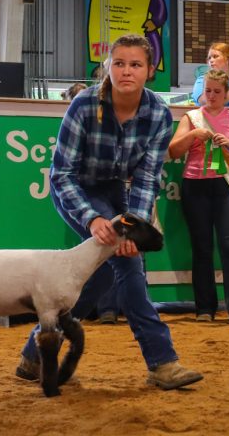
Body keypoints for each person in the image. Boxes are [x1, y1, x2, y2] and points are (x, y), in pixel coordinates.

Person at [15, 34, 203, 390]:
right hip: (76, 190)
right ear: (108, 68)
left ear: (150, 70)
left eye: (135, 65)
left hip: (116, 189)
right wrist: (93, 219)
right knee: (129, 264)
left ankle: (34, 354)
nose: (126, 71)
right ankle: (163, 362)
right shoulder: (84, 105)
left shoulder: (160, 114)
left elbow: (148, 178)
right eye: (119, 63)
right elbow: (62, 173)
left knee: (98, 278)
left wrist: (132, 228)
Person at [169, 69, 229, 327]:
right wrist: (193, 135)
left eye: (217, 92)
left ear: (226, 93)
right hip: (195, 186)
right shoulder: (191, 117)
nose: (212, 96)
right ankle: (205, 308)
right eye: (208, 91)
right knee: (202, 248)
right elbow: (173, 151)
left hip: (225, 185)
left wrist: (228, 142)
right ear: (202, 92)